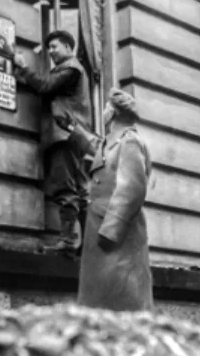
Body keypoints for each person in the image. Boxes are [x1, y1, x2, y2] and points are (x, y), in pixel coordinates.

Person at [55, 88, 154, 311]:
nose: (104, 111)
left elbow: (132, 189)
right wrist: (73, 128)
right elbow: (96, 147)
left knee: (123, 294)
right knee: (101, 295)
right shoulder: (113, 142)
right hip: (100, 227)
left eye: (108, 107)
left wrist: (110, 231)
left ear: (115, 112)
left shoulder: (130, 142)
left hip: (116, 231)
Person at [13, 30, 92, 253]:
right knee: (81, 191)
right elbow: (47, 88)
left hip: (64, 135)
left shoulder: (71, 69)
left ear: (68, 47)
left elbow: (46, 86)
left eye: (55, 46)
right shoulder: (69, 71)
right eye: (49, 48)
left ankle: (67, 242)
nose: (51, 51)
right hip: (74, 136)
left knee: (65, 188)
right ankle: (88, 245)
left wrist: (23, 68)